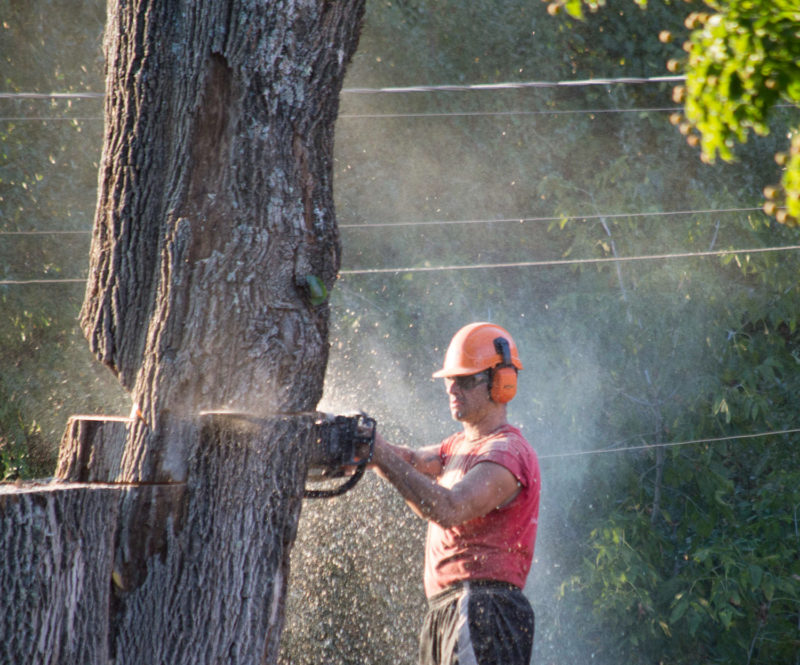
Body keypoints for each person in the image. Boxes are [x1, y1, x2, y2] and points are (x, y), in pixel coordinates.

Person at [369, 322, 541, 665]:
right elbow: (413, 461)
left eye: (464, 380)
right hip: (451, 609)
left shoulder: (507, 454)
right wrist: (360, 445)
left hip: (482, 608)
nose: (452, 389)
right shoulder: (458, 447)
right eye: (450, 380)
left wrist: (379, 454)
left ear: (501, 382)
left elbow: (448, 507)